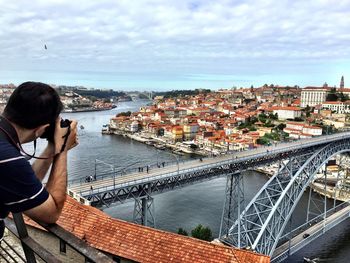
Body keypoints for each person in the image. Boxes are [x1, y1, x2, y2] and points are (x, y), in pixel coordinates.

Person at [0, 82, 78, 242]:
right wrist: (62, 149)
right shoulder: (8, 157)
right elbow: (51, 213)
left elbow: (23, 186)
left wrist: (51, 147)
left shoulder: (6, 153)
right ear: (42, 130)